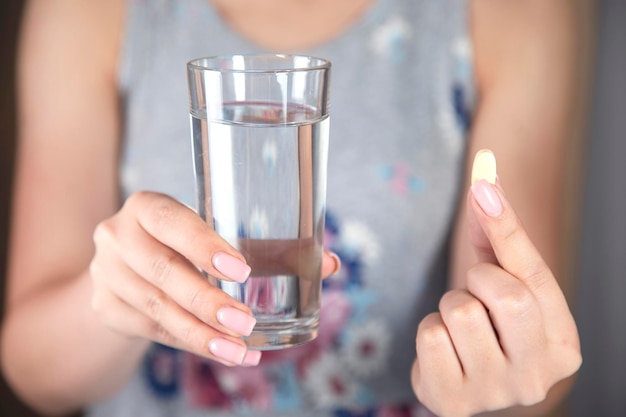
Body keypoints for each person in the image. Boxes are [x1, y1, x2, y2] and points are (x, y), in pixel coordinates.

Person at [1, 0, 583, 416]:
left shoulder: (515, 12)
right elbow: (34, 372)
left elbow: (526, 359)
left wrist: (491, 380)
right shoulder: (88, 11)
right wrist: (112, 300)